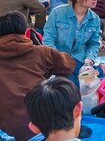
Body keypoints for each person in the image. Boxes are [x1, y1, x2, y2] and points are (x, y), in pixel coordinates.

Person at [0, 12, 75, 140]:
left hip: (7, 129)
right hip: (44, 127)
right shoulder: (40, 52)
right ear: (25, 30)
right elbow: (69, 64)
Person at [43, 0, 101, 86]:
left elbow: (94, 43)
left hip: (81, 61)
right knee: (67, 83)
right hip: (58, 60)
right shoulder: (57, 13)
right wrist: (58, 58)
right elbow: (48, 39)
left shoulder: (94, 18)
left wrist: (89, 59)